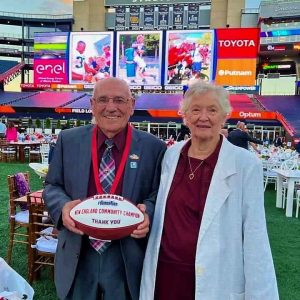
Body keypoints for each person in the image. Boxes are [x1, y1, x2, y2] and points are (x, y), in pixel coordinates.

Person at [139, 80, 279, 300]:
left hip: (216, 281)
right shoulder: (171, 156)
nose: (203, 117)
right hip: (165, 276)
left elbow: (255, 235)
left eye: (212, 110)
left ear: (224, 116)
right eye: (195, 109)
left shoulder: (245, 164)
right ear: (184, 116)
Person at [43, 77, 166, 300]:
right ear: (92, 104)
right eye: (103, 100)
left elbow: (159, 194)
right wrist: (62, 208)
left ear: (132, 105)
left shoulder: (153, 147)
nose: (111, 107)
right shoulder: (68, 140)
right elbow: (52, 185)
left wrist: (147, 210)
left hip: (127, 254)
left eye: (119, 100)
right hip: (78, 252)